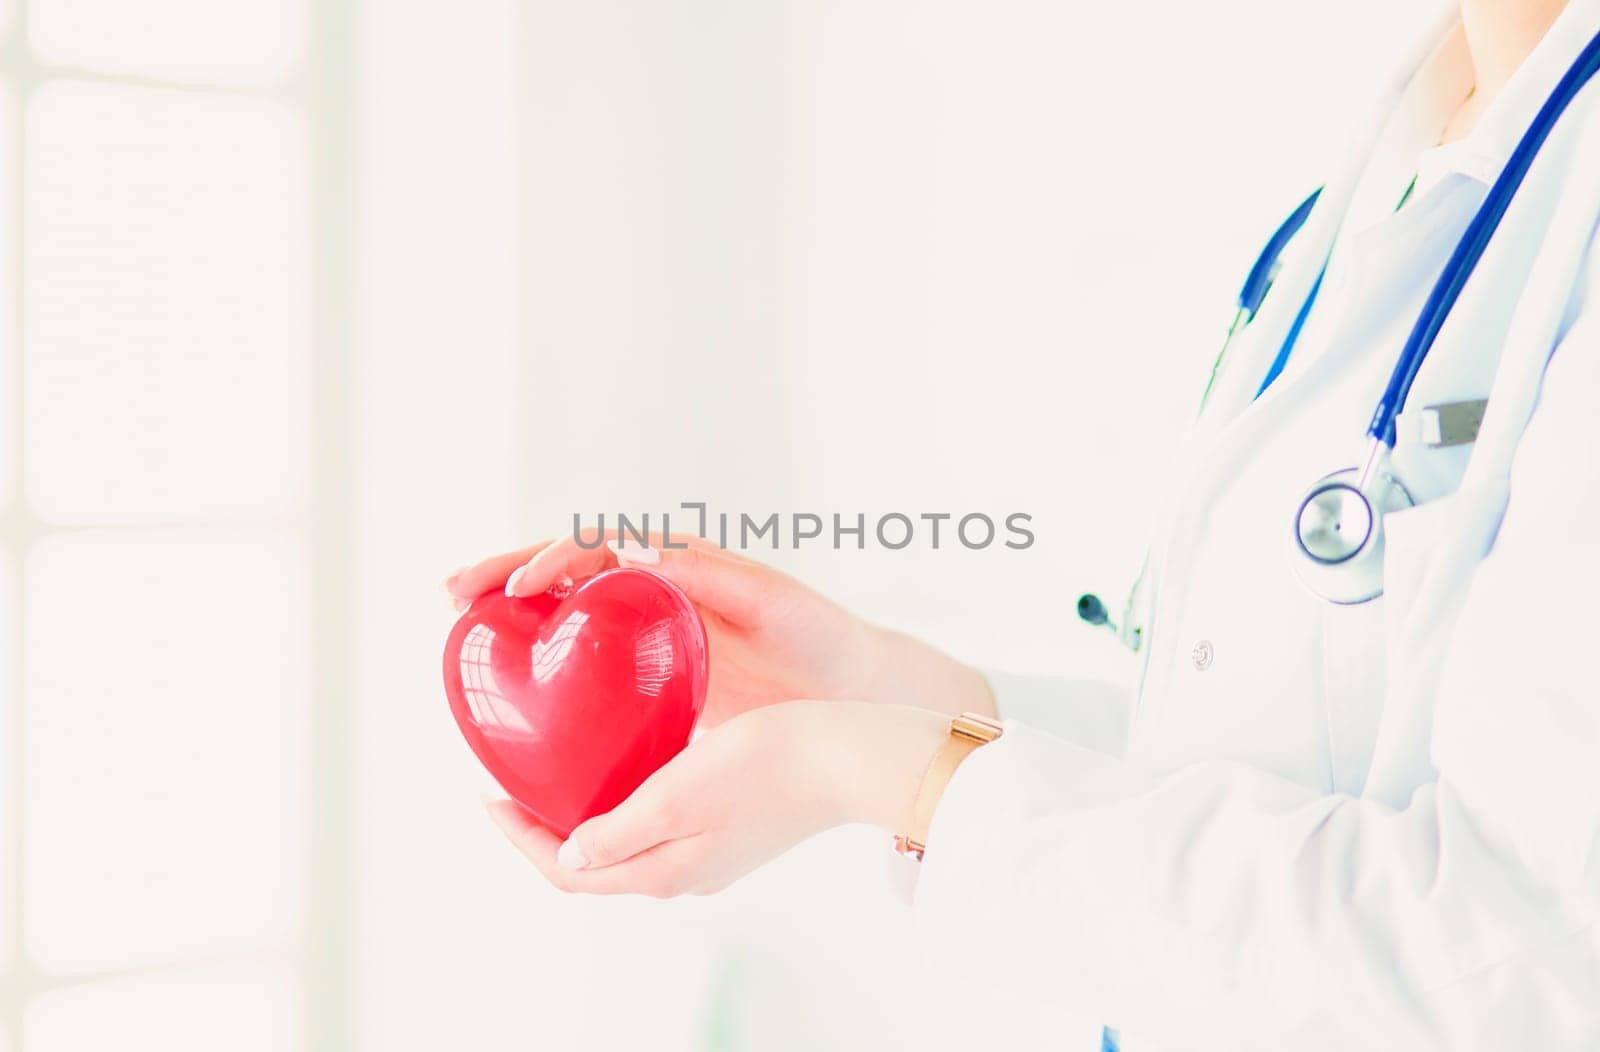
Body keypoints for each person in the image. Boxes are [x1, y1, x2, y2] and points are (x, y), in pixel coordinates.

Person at [445, 0, 1600, 1046]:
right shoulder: (1407, 160)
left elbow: (1522, 963)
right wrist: (880, 693)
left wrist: (878, 771)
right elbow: (1252, 760)